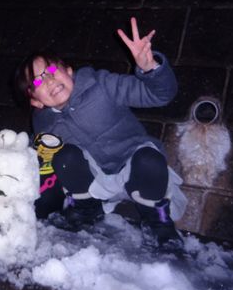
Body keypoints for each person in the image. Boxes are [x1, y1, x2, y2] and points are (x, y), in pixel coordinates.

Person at [13, 17, 187, 248]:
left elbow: (160, 95)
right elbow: (41, 165)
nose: (50, 80)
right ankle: (86, 209)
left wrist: (150, 68)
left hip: (135, 169)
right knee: (64, 156)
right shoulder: (43, 124)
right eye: (37, 83)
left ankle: (157, 221)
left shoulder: (100, 84)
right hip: (96, 181)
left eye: (52, 70)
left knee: (149, 158)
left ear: (69, 70)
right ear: (35, 102)